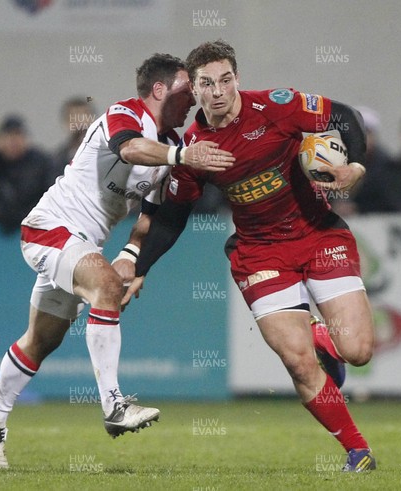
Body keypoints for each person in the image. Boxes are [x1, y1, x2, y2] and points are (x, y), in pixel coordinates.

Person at [0, 53, 234, 469]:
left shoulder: (173, 146)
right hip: (50, 227)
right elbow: (129, 149)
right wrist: (181, 159)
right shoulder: (125, 113)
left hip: (84, 242)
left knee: (43, 339)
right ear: (159, 90)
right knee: (105, 286)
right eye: (186, 91)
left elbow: (149, 213)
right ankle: (114, 407)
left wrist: (131, 255)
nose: (194, 101)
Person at [123, 40, 376, 472]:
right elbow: (172, 218)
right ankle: (358, 451)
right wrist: (140, 268)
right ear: (195, 88)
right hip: (259, 253)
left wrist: (356, 165)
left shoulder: (279, 105)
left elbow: (344, 117)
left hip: (319, 236)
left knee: (359, 351)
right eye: (207, 83)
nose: (218, 91)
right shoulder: (194, 149)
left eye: (225, 80)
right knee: (297, 362)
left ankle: (324, 339)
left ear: (237, 78)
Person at [0, 115, 52, 234]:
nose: (13, 141)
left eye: (17, 135)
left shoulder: (41, 163)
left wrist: (25, 214)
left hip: (35, 228)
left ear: (25, 139)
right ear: (0, 140)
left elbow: (50, 195)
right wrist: (2, 213)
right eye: (8, 136)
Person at [48, 96, 96, 185]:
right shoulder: (57, 159)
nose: (80, 122)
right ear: (65, 122)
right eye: (74, 116)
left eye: (85, 115)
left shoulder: (107, 151)